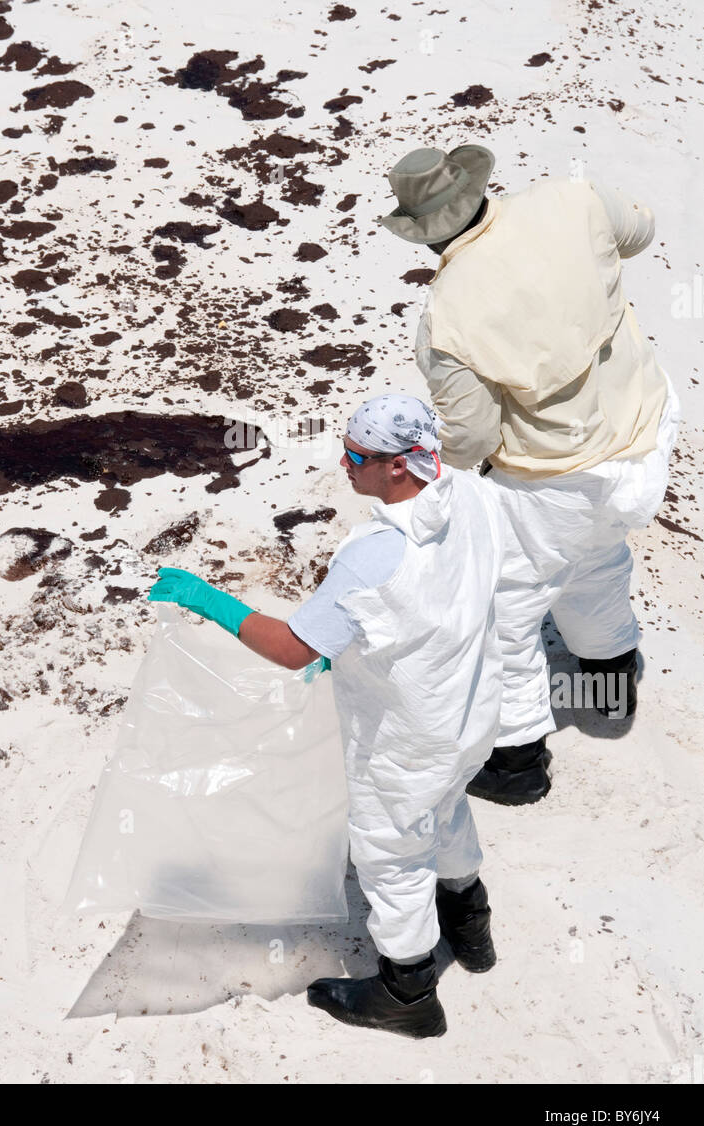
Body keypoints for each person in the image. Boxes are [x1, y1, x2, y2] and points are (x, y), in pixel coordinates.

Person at [148, 395, 506, 1039]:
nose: (343, 463)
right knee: (447, 808)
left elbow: (292, 649)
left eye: (357, 456)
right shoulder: (471, 496)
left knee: (390, 853)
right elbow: (436, 600)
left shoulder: (374, 553)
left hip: (407, 737)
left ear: (398, 467)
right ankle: (471, 928)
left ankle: (408, 993)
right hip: (471, 713)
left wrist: (207, 599)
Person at [380, 145, 680, 805]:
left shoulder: (446, 315)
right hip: (642, 437)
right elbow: (640, 230)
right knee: (596, 561)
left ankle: (514, 761)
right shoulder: (570, 199)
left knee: (502, 609)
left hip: (555, 477)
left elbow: (474, 435)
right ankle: (607, 677)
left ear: (423, 231)